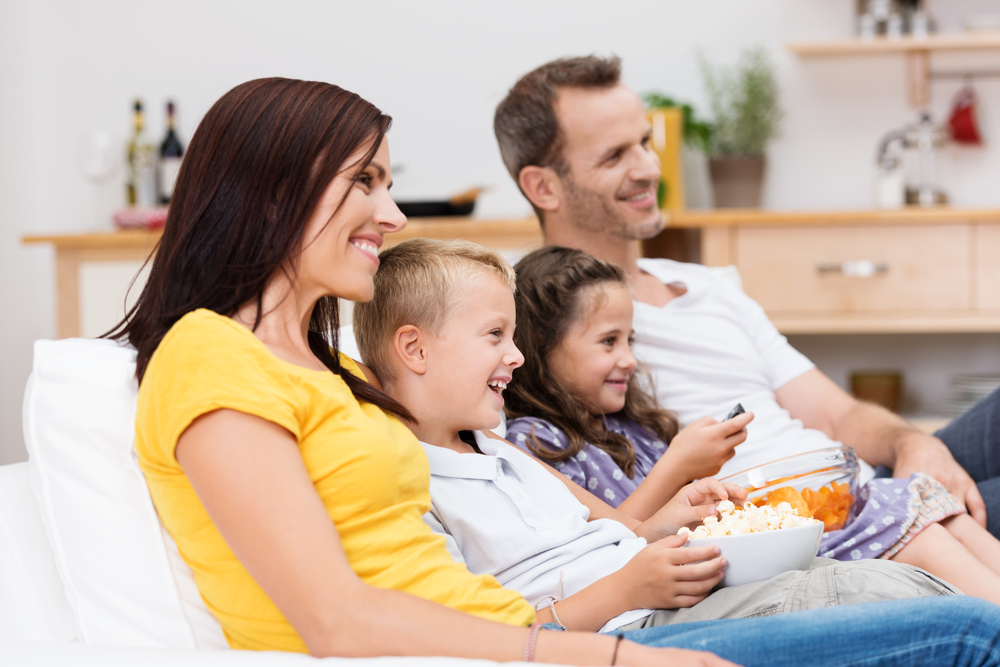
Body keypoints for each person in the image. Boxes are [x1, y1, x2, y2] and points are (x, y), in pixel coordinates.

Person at [103, 75, 1000, 667]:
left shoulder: (337, 364)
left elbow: (501, 493)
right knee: (966, 630)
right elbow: (335, 621)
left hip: (560, 626)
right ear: (274, 192)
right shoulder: (209, 356)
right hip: (553, 646)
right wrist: (610, 650)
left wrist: (646, 530)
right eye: (365, 181)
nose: (393, 209)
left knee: (936, 601)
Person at [492, 54, 1000, 541]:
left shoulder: (709, 285)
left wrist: (915, 444)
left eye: (645, 143)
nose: (649, 168)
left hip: (862, 480)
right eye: (615, 155)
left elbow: (837, 415)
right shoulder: (537, 318)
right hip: (813, 524)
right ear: (544, 187)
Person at [351, 236, 966, 635]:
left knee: (926, 595)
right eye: (494, 336)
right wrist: (632, 583)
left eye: (513, 336)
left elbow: (622, 532)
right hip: (640, 623)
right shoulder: (407, 477)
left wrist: (675, 515)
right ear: (415, 348)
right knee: (943, 623)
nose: (515, 357)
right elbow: (484, 637)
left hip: (668, 592)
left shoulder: (501, 448)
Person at [501, 244, 1000, 606]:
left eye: (630, 340)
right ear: (541, 347)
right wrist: (678, 467)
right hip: (724, 566)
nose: (629, 360)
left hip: (788, 511)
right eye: (609, 342)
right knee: (902, 513)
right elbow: (614, 541)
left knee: (923, 499)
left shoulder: (630, 424)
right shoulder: (534, 444)